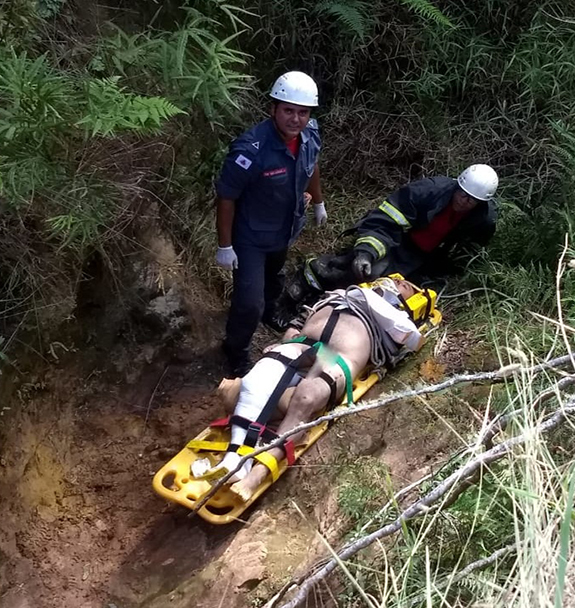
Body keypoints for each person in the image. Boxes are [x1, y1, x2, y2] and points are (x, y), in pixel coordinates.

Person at [192, 276, 436, 501]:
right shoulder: (345, 293)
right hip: (303, 343)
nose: (400, 282)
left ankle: (254, 477)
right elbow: (301, 318)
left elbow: (404, 348)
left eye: (408, 286)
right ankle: (235, 458)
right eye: (399, 280)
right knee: (259, 374)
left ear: (413, 301)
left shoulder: (400, 323)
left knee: (306, 397)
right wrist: (285, 338)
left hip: (337, 357)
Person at [272, 164, 498, 327]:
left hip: (424, 259)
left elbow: (467, 252)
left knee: (391, 299)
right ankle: (302, 285)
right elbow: (385, 221)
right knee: (361, 270)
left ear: (481, 202)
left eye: (471, 200)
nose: (463, 201)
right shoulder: (428, 191)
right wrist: (366, 253)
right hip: (397, 240)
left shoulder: (482, 220)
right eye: (462, 193)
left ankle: (324, 308)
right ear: (457, 185)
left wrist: (443, 272)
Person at [214, 71, 327, 378]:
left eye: (303, 112)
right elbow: (226, 196)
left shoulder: (309, 136)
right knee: (248, 302)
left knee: (274, 280)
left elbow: (311, 164)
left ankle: (269, 313)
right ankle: (235, 350)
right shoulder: (251, 150)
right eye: (288, 110)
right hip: (250, 237)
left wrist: (317, 201)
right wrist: (225, 245)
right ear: (273, 109)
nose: (296, 119)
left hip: (284, 228)